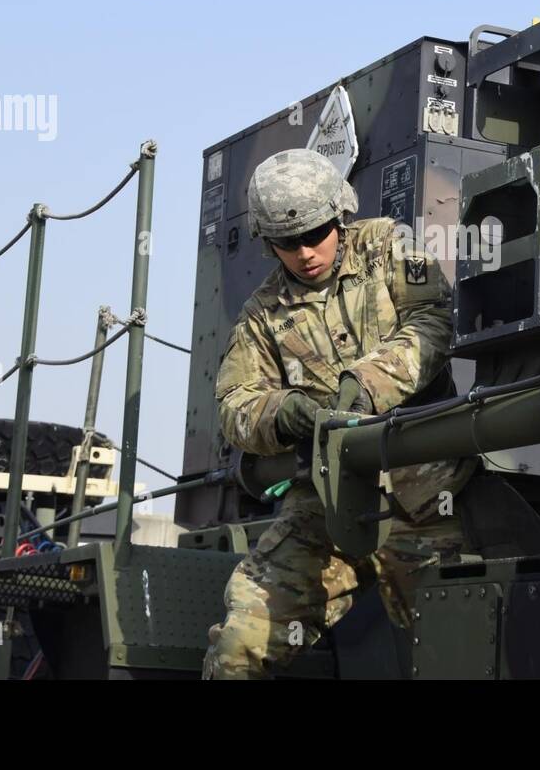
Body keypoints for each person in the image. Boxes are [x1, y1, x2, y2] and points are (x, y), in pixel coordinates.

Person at [203, 148, 475, 680]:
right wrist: (285, 413)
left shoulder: (389, 246)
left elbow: (433, 321)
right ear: (268, 243)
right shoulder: (261, 314)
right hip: (325, 507)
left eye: (316, 233)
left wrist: (365, 384)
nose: (305, 252)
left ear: (340, 215)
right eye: (288, 242)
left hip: (425, 498)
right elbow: (235, 406)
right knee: (239, 647)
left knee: (459, 650)